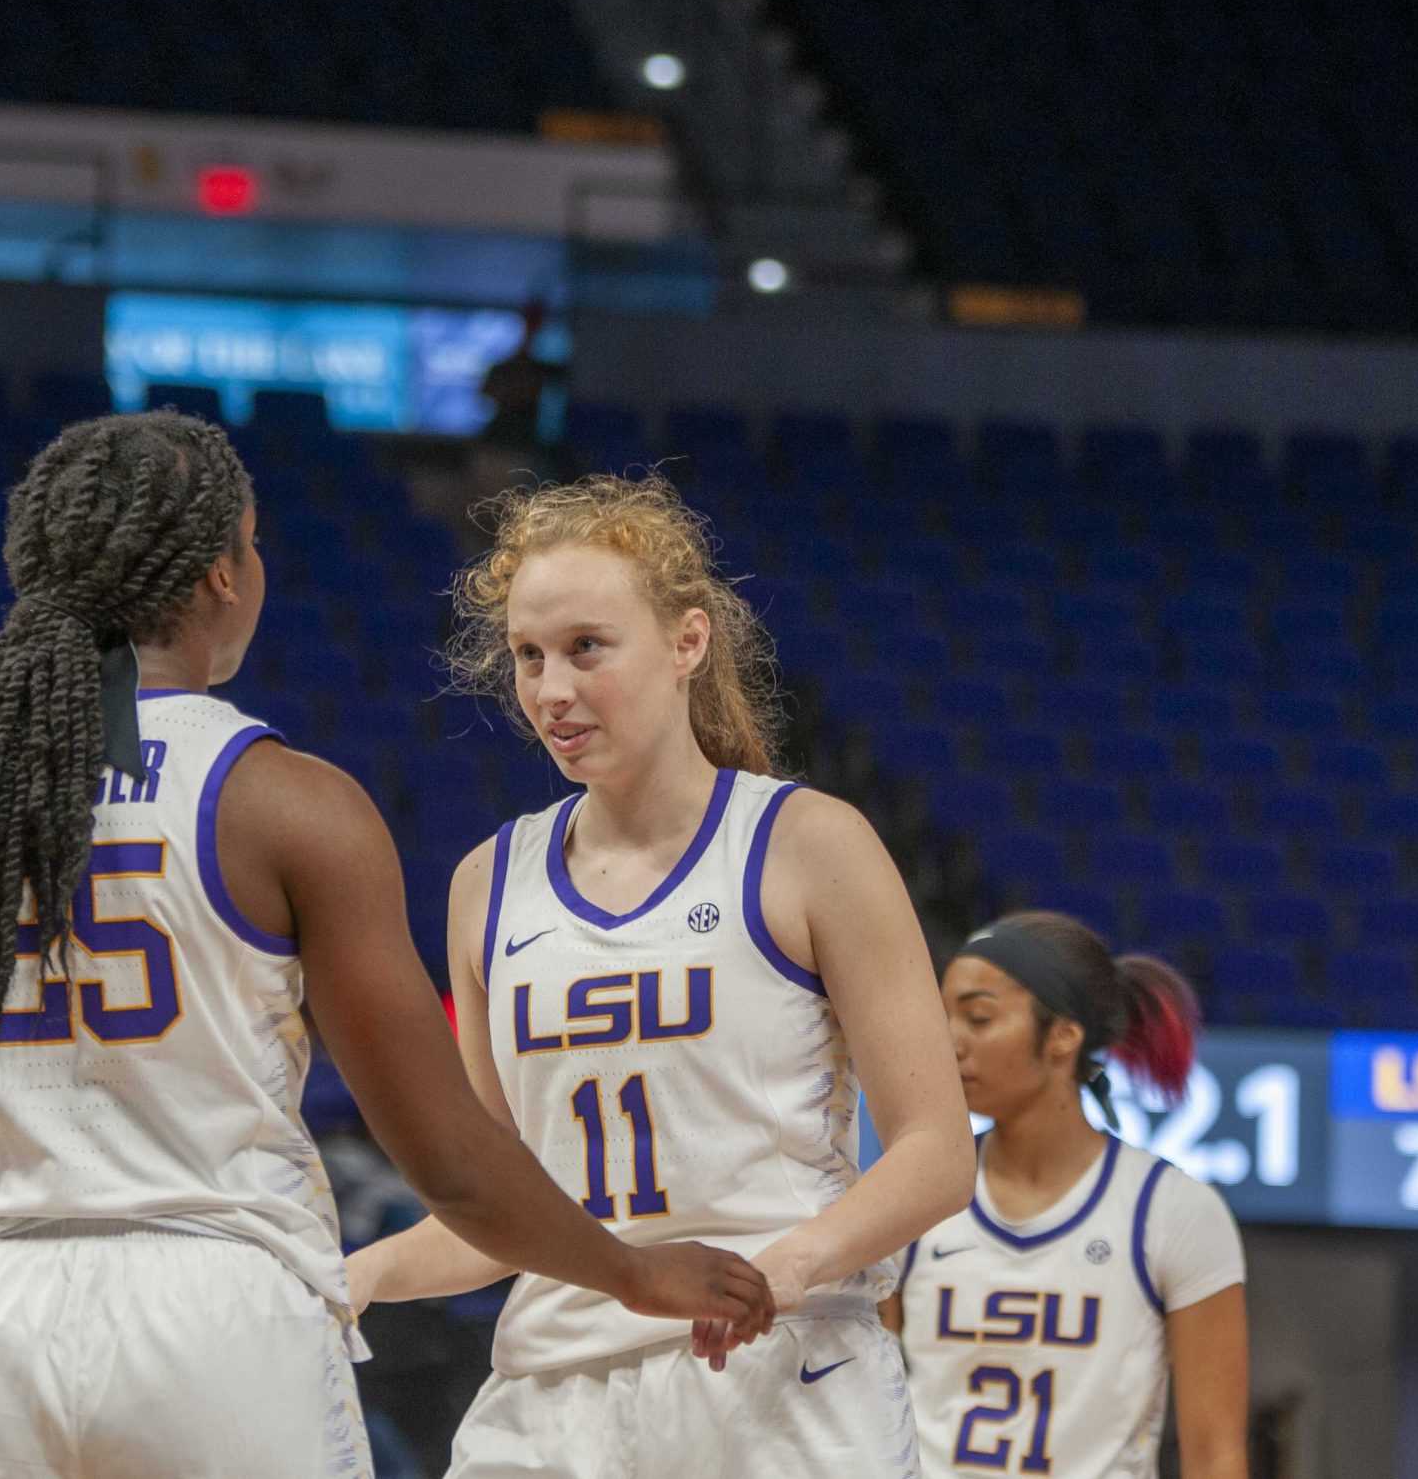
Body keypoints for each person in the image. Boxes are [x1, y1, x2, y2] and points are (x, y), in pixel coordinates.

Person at [0, 412, 773, 1479]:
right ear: (225, 572)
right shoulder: (283, 802)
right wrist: (633, 1273)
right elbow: (450, 1159)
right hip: (217, 1305)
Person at [346, 473, 976, 1478]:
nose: (552, 689)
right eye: (527, 656)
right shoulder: (486, 883)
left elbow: (939, 1150)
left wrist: (789, 1263)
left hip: (778, 1378)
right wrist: (357, 1273)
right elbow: (497, 1205)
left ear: (687, 642)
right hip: (549, 1400)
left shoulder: (808, 843)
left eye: (586, 647)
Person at [882, 912, 1247, 1478]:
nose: (948, 1042)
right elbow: (862, 1407)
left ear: (1063, 1037)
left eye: (978, 1017)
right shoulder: (910, 1190)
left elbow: (1215, 1456)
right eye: (944, 1015)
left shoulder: (1174, 1211)